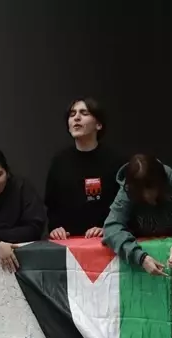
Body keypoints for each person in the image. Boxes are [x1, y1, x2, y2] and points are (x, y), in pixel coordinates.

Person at [102, 154, 172, 277]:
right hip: (143, 247)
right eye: (141, 191)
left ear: (160, 181)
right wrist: (140, 257)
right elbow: (111, 227)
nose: (147, 195)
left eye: (151, 188)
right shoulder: (128, 188)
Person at [44, 97, 126, 240]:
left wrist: (109, 228)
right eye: (72, 114)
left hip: (107, 241)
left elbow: (126, 205)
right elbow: (51, 205)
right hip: (69, 244)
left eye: (84, 113)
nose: (76, 118)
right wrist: (55, 228)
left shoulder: (116, 161)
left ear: (98, 124)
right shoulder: (59, 161)